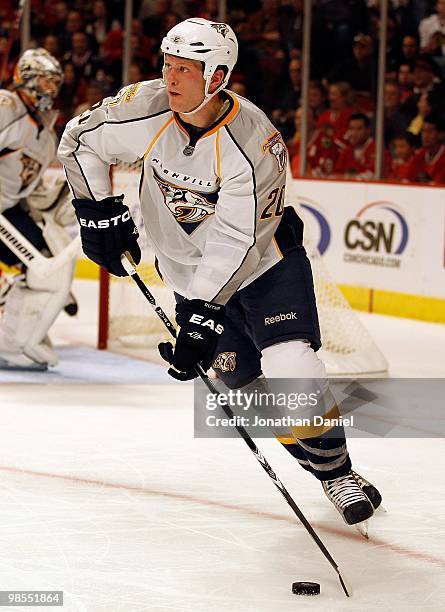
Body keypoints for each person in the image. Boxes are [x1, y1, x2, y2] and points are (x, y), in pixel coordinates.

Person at [59, 17, 381, 529]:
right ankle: (324, 471)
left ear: (216, 77)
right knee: (251, 398)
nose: (170, 77)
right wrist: (97, 211)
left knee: (291, 370)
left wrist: (200, 314)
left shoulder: (254, 142)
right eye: (167, 64)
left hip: (265, 266)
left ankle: (339, 473)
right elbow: (79, 142)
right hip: (188, 271)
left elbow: (237, 239)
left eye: (185, 69)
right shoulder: (144, 107)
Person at [0, 48, 77, 370]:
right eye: (45, 82)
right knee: (42, 265)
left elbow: (23, 180)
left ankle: (14, 336)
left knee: (46, 262)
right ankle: (13, 342)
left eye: (55, 83)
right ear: (26, 80)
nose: (51, 90)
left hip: (9, 209)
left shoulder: (44, 128)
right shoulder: (6, 106)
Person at [334, 113, 391, 180]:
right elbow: (336, 174)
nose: (355, 133)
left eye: (359, 129)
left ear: (368, 130)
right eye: (352, 129)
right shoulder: (347, 151)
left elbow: (378, 175)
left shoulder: (378, 150)